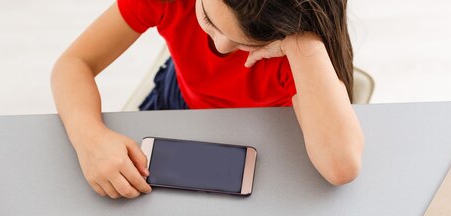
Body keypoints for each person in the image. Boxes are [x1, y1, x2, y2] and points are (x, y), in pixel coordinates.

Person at [51, 0, 364, 199]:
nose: (222, 46)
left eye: (248, 43)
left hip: (271, 134)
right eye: (211, 23)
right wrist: (88, 136)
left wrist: (301, 45)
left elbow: (341, 167)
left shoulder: (297, 44)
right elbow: (74, 63)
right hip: (180, 103)